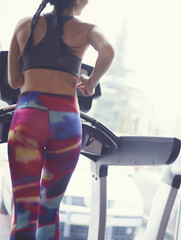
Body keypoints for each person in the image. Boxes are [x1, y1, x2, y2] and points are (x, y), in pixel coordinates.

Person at [7, 0, 114, 239]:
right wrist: (90, 81)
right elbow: (108, 51)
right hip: (66, 121)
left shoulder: (25, 24)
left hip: (29, 117)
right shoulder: (88, 29)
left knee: (25, 213)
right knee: (50, 211)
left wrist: (38, 71)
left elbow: (14, 81)